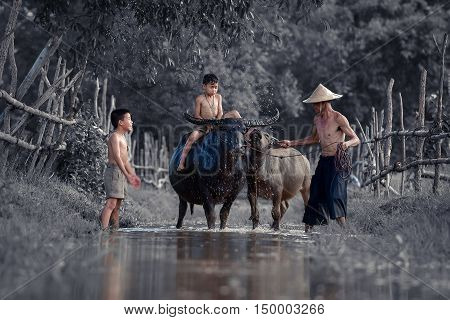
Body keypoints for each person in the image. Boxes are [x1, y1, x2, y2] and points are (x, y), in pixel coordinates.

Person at [278, 84, 360, 232]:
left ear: (324, 102)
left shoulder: (338, 118)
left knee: (334, 195)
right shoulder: (317, 119)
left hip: (337, 162)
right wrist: (291, 143)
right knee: (313, 197)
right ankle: (307, 233)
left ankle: (347, 233)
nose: (314, 107)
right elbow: (314, 138)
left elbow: (356, 139)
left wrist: (346, 144)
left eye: (315, 104)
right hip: (324, 161)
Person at [177, 73, 241, 171]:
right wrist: (206, 124)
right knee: (192, 138)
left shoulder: (218, 97)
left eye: (216, 87)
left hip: (218, 122)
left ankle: (245, 134)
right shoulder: (200, 99)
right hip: (203, 124)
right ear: (204, 86)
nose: (214, 90)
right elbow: (197, 115)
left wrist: (218, 121)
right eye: (212, 87)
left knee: (235, 113)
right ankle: (181, 163)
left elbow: (220, 111)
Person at [100, 108, 141, 230]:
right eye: (129, 118)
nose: (132, 121)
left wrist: (132, 174)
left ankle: (115, 232)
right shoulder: (114, 137)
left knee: (117, 206)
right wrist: (127, 175)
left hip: (120, 173)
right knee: (111, 204)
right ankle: (103, 231)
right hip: (114, 172)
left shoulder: (123, 138)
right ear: (120, 122)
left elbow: (125, 160)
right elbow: (117, 157)